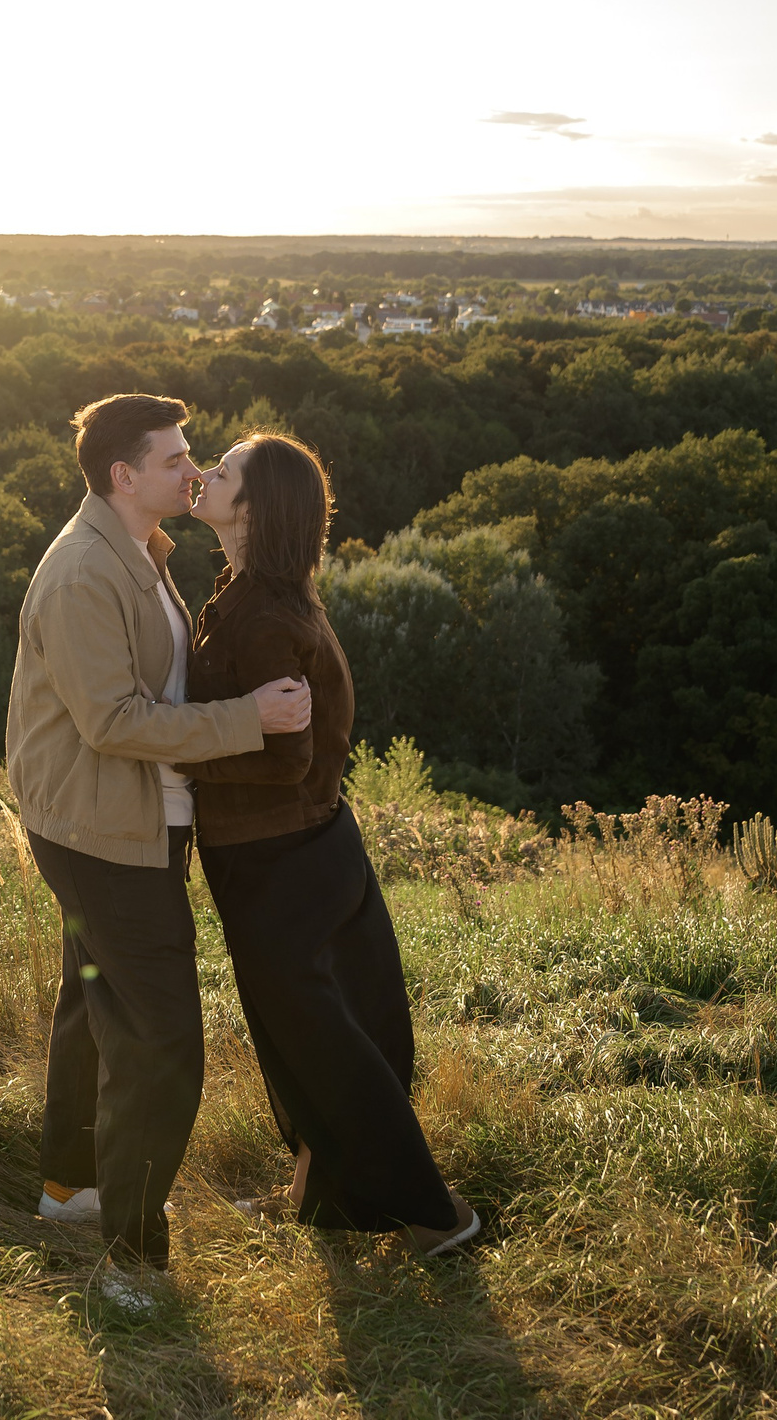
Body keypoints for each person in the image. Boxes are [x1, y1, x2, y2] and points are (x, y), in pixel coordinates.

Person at [5, 393, 314, 1299]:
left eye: (194, 456)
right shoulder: (82, 576)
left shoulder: (139, 547)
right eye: (177, 459)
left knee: (92, 1003)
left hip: (124, 816)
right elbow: (111, 720)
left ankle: (70, 1190)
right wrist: (248, 721)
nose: (194, 469)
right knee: (164, 1041)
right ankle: (130, 1262)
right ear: (124, 476)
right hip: (102, 829)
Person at [179, 431, 481, 1259]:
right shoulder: (263, 595)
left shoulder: (266, 617)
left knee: (322, 1045)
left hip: (278, 863)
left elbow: (285, 758)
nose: (207, 471)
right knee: (323, 1037)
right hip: (314, 852)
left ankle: (436, 1217)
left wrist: (168, 741)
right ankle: (318, 1193)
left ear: (253, 507)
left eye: (227, 469)